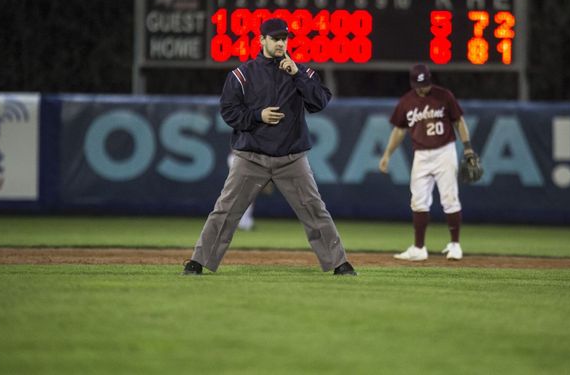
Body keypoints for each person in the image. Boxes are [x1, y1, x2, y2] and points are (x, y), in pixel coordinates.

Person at [183, 18, 357, 276]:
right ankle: (198, 261)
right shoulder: (242, 75)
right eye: (275, 38)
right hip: (251, 157)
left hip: (291, 157)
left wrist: (296, 74)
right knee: (226, 210)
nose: (280, 43)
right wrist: (257, 116)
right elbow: (229, 112)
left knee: (314, 209)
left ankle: (339, 263)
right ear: (262, 40)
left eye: (284, 39)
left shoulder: (301, 72)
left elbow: (319, 102)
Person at [378, 64, 476, 261]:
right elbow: (399, 130)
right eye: (419, 85)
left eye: (425, 84)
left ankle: (455, 245)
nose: (423, 88)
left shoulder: (444, 95)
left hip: (444, 151)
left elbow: (459, 121)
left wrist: (467, 147)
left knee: (449, 198)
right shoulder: (407, 101)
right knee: (418, 200)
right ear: (413, 83)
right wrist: (387, 154)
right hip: (421, 155)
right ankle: (419, 248)